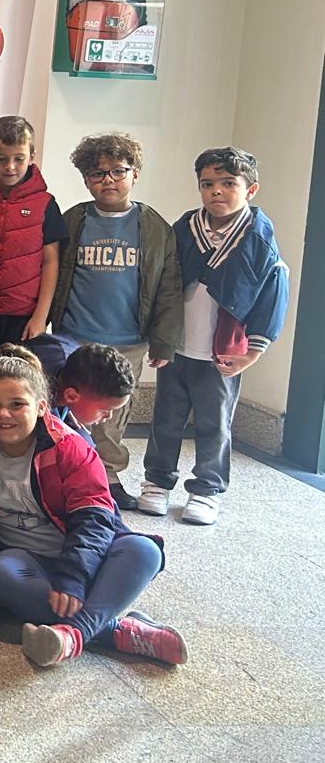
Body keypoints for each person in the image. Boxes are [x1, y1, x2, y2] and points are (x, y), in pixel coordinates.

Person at [0, 346, 186, 667]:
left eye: (17, 404)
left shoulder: (71, 446)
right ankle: (114, 629)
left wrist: (73, 577)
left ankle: (75, 634)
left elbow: (95, 518)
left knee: (145, 551)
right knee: (0, 574)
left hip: (86, 560)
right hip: (27, 562)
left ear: (41, 407)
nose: (4, 414)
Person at [141, 147, 289, 525]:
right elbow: (164, 283)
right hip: (178, 347)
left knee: (214, 423)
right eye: (207, 184)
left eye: (228, 183)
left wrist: (253, 351)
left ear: (250, 190)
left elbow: (272, 292)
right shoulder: (185, 229)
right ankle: (157, 481)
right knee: (165, 419)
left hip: (222, 353)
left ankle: (206, 489)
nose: (216, 191)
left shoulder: (258, 238)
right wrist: (160, 337)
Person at [48, 133, 182, 511]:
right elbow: (53, 272)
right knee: (70, 408)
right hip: (75, 334)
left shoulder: (153, 227)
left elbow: (169, 286)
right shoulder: (74, 220)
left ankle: (107, 477)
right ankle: (68, 474)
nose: (108, 180)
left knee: (111, 415)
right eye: (97, 173)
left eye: (118, 171)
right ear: (86, 179)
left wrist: (164, 341)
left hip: (128, 338)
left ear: (134, 174)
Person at [0, 116, 66, 410]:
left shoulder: (45, 204)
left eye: (19, 158)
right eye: (2, 158)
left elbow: (51, 262)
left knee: (16, 389)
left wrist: (40, 317)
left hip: (21, 317)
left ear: (32, 157)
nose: (10, 167)